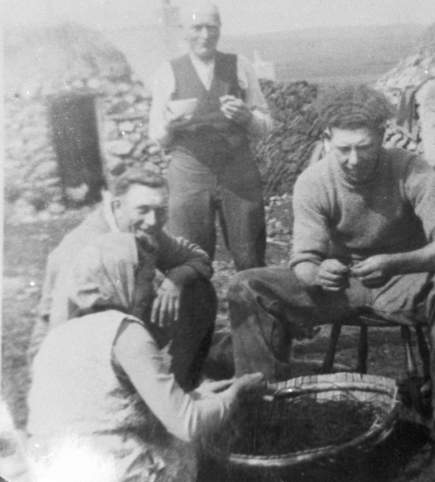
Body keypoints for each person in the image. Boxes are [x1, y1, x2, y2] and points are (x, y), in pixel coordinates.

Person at [226, 85, 435, 461]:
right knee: (245, 286)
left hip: (400, 280)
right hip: (339, 287)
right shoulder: (314, 181)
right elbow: (303, 260)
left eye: (363, 147)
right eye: (342, 148)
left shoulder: (410, 169)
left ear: (381, 135)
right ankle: (261, 404)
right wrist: (316, 273)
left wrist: (397, 262)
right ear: (327, 138)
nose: (352, 159)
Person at [26, 232, 263, 482]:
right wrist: (234, 393)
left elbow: (105, 411)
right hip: (109, 471)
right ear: (122, 278)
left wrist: (197, 396)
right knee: (191, 446)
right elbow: (187, 425)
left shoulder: (58, 336)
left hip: (52, 469)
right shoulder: (125, 332)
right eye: (147, 280)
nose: (151, 293)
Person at [31, 167, 215, 390]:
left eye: (161, 211)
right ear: (118, 206)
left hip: (121, 327)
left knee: (198, 291)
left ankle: (180, 390)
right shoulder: (80, 250)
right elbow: (60, 333)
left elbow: (199, 259)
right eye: (143, 210)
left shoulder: (144, 228)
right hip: (68, 346)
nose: (153, 221)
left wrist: (175, 278)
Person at [148, 1, 274, 270]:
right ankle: (194, 311)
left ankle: (252, 309)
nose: (205, 35)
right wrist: (169, 126)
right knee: (186, 256)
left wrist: (248, 118)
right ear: (183, 31)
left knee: (250, 255)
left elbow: (266, 125)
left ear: (220, 29)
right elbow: (157, 136)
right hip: (189, 172)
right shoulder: (167, 71)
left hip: (238, 171)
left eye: (211, 27)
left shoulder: (240, 65)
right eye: (197, 27)